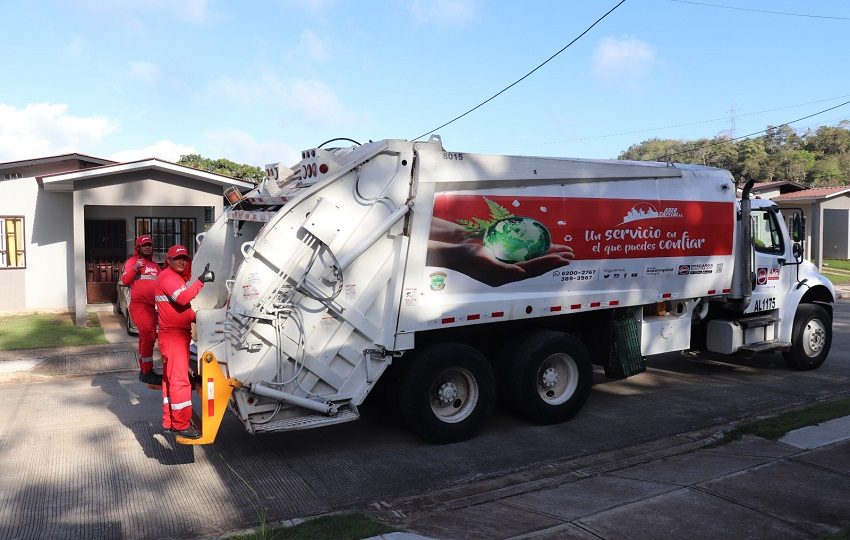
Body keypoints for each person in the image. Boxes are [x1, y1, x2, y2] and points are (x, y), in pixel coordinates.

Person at [154, 245, 214, 439]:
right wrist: (201, 281)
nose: (182, 261)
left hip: (173, 337)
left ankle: (170, 422)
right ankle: (180, 424)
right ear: (168, 261)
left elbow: (183, 310)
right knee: (180, 381)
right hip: (173, 338)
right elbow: (182, 299)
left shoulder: (174, 278)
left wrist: (203, 319)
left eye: (184, 258)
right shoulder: (168, 277)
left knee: (170, 380)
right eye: (177, 258)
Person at [120, 234, 162, 385]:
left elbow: (163, 283)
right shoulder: (133, 261)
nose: (147, 247)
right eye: (144, 245)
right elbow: (124, 280)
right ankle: (146, 372)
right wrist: (135, 267)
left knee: (148, 338)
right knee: (148, 336)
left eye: (149, 245)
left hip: (152, 308)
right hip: (139, 306)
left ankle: (145, 371)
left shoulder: (156, 266)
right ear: (138, 248)